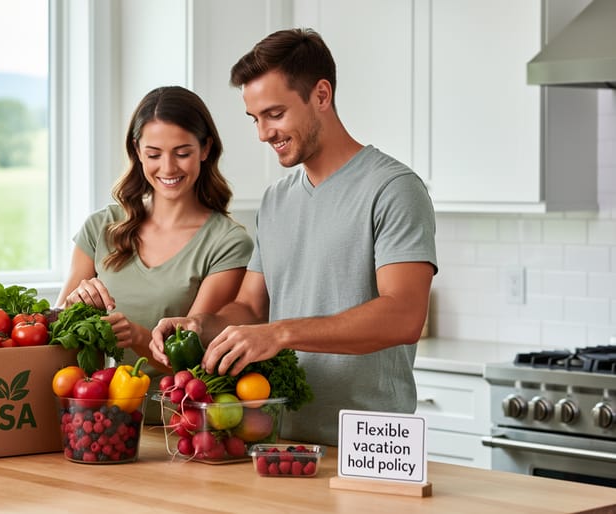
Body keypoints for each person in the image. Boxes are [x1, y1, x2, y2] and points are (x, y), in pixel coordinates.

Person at [149, 28, 438, 445]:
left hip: (370, 441)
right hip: (278, 438)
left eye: (275, 114)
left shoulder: (392, 187)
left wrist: (280, 333)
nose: (263, 133)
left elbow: (405, 315)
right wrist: (201, 325)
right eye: (255, 119)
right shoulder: (276, 200)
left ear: (321, 95)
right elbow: (250, 307)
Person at [56, 85, 254, 419]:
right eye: (154, 154)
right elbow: (56, 332)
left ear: (205, 148)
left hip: (173, 427)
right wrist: (73, 307)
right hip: (93, 421)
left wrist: (136, 337)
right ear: (137, 151)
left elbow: (194, 358)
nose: (168, 168)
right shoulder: (100, 227)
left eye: (182, 152)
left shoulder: (228, 243)